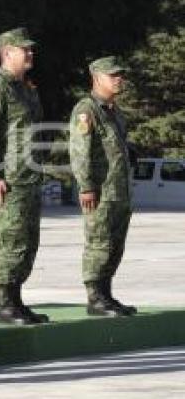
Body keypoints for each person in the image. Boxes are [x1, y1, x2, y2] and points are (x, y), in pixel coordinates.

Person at [0, 27, 49, 325]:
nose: (30, 53)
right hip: (9, 181)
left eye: (31, 49)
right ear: (7, 53)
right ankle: (4, 304)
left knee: (28, 242)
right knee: (11, 241)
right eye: (24, 50)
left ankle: (16, 301)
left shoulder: (26, 89)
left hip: (29, 178)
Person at [69, 56, 137, 317]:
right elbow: (80, 151)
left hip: (119, 190)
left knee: (115, 245)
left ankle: (107, 294)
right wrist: (86, 186)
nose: (119, 79)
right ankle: (95, 297)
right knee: (99, 243)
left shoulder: (115, 111)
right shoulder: (87, 110)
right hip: (100, 191)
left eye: (120, 74)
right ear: (96, 78)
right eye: (113, 75)